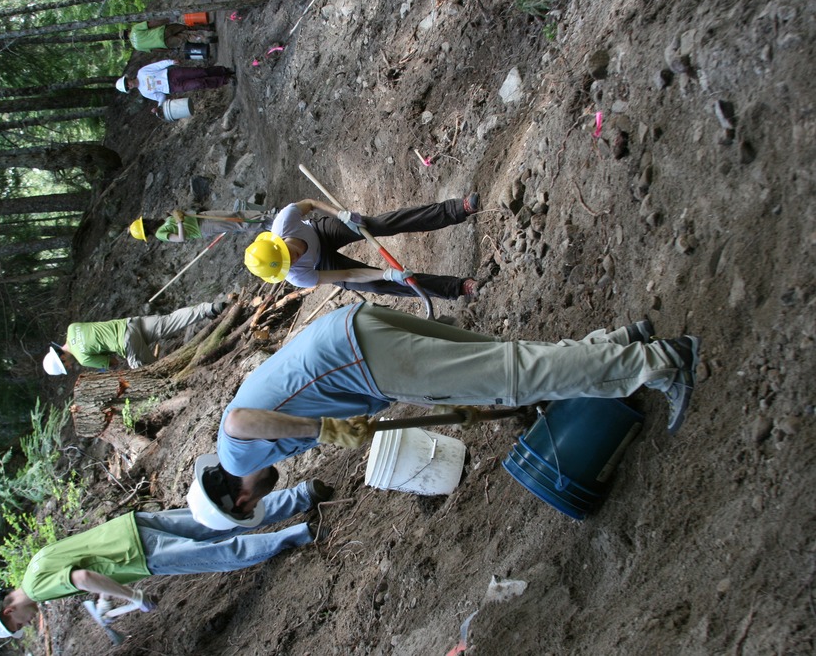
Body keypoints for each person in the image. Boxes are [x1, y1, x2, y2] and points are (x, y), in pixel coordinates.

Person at [190, 303, 701, 525]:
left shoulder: (236, 455)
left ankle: (661, 363)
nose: (263, 496)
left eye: (250, 505)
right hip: (350, 333)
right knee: (506, 361)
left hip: (359, 362)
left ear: (238, 500)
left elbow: (238, 421)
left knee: (510, 376)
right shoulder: (259, 451)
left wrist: (324, 428)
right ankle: (618, 344)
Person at [0, 479, 335, 639]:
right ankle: (302, 494)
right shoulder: (36, 563)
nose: (26, 624)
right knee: (216, 522)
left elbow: (84, 576)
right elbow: (85, 560)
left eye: (17, 625)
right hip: (130, 527)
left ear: (9, 611)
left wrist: (132, 596)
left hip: (139, 554)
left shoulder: (37, 589)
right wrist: (107, 595)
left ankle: (300, 533)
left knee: (222, 554)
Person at [242, 195, 484, 300]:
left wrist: (342, 215)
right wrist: (387, 273)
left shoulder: (284, 221)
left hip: (320, 232)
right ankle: (458, 288)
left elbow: (311, 203)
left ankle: (457, 209)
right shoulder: (298, 276)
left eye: (288, 256)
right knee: (379, 284)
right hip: (323, 265)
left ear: (278, 243)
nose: (292, 262)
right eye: (286, 267)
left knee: (378, 224)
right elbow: (348, 274)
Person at [43, 300, 228, 374]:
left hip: (127, 343)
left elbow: (113, 362)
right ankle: (209, 308)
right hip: (130, 324)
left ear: (61, 356)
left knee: (149, 373)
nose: (69, 365)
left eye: (64, 364)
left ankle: (188, 377)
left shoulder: (83, 358)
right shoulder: (72, 327)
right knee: (170, 320)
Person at [116, 60, 234, 111]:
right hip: (173, 88)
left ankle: (224, 70)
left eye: (127, 83)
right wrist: (159, 106)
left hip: (172, 74)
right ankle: (225, 80)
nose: (129, 85)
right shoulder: (144, 92)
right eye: (127, 87)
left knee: (200, 72)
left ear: (128, 78)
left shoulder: (142, 72)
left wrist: (170, 62)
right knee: (199, 84)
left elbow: (157, 66)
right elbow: (160, 96)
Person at [130, 205, 275, 244]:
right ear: (146, 227)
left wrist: (174, 215)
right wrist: (179, 221)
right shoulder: (160, 234)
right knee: (237, 224)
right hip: (203, 227)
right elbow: (181, 238)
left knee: (235, 216)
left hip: (201, 218)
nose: (148, 219)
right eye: (145, 221)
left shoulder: (162, 224)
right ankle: (270, 223)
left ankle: (267, 217)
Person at [125, 19, 215, 53]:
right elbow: (151, 24)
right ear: (127, 30)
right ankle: (208, 27)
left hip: (164, 43)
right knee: (184, 27)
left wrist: (168, 50)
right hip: (163, 32)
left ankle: (204, 39)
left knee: (186, 37)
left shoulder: (137, 47)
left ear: (126, 39)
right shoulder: (134, 29)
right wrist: (165, 21)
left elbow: (154, 49)